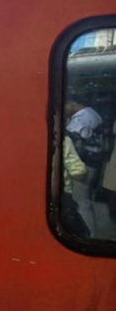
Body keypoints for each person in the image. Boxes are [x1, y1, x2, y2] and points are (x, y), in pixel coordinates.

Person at [65, 99, 103, 237]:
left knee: (81, 202)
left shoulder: (82, 118)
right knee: (87, 200)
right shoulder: (92, 113)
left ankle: (88, 236)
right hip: (94, 162)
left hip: (84, 164)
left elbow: (70, 139)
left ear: (72, 103)